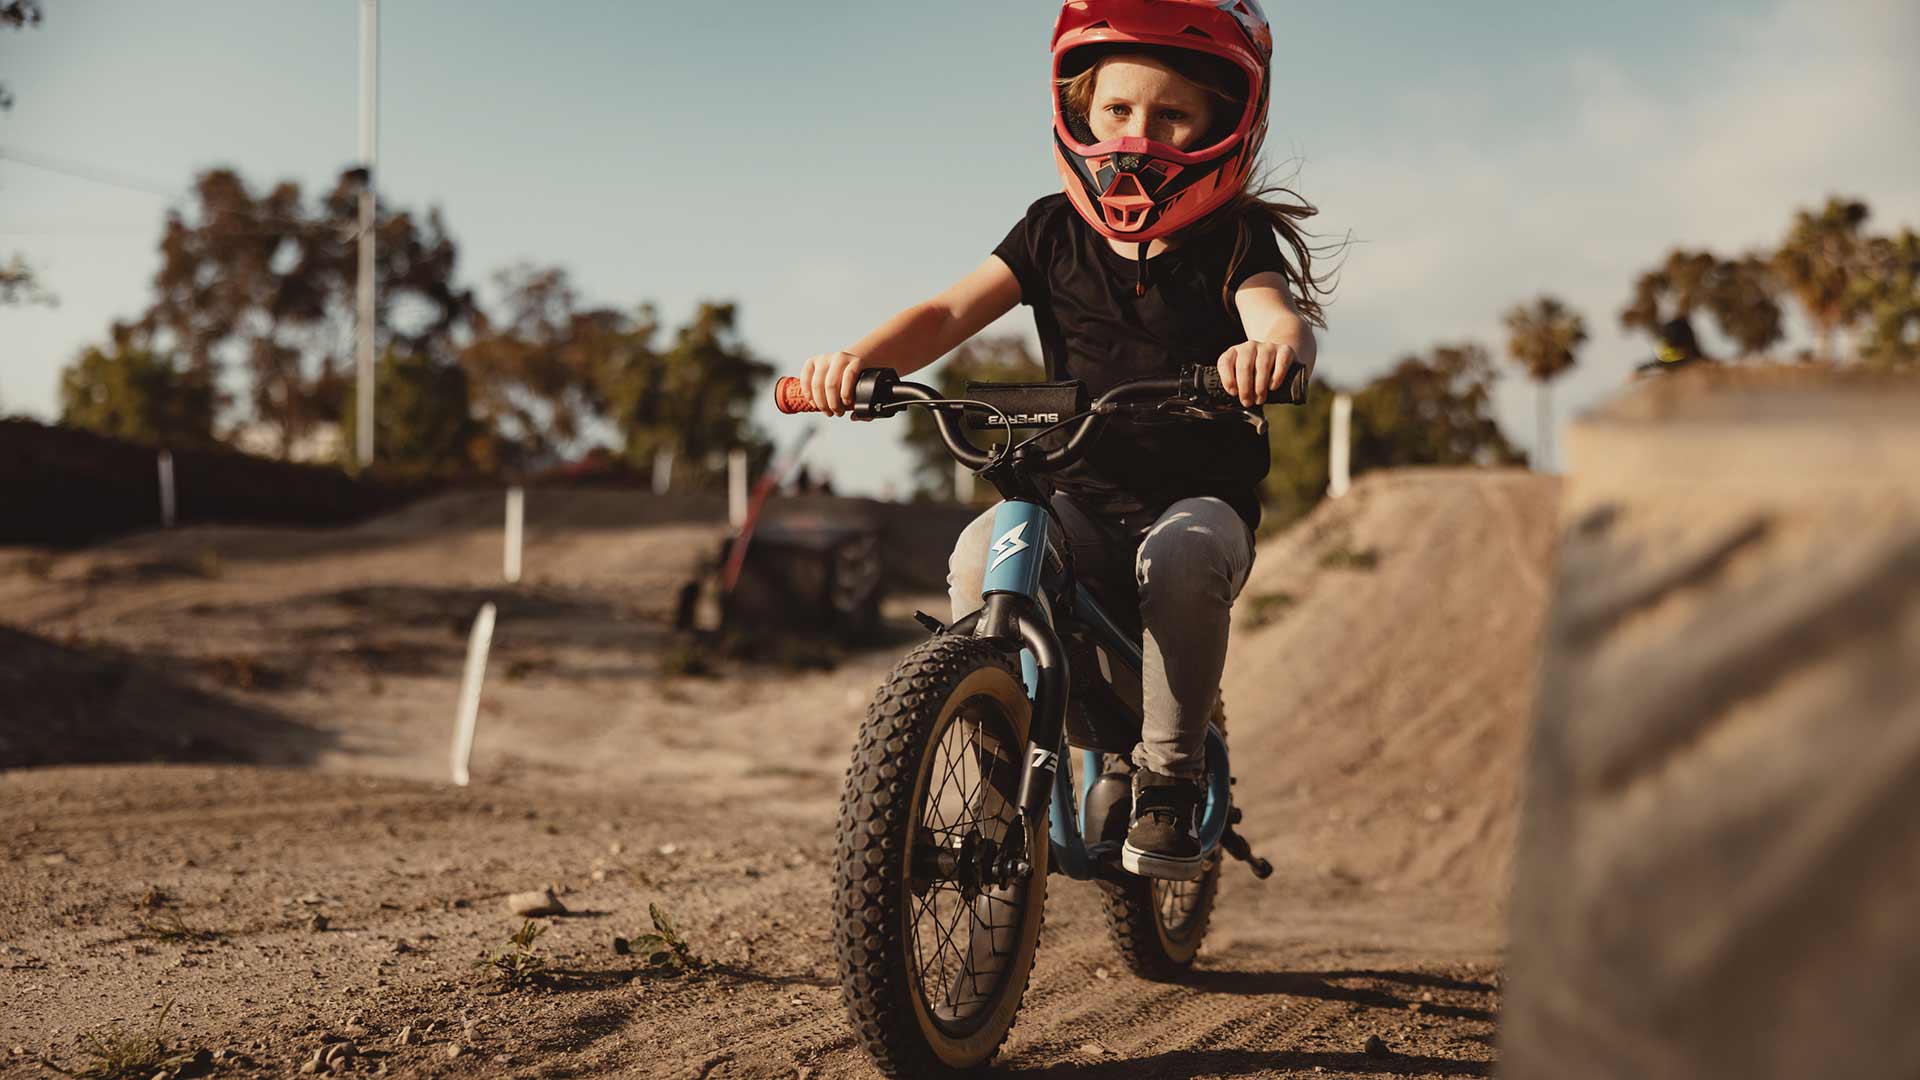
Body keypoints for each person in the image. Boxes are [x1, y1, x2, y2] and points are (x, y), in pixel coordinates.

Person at [794, 0, 1334, 880]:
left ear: (1223, 124)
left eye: (1172, 116)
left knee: (1188, 557)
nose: (1139, 137)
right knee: (979, 559)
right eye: (1119, 111)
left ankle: (1168, 770)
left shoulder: (1234, 237)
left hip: (1196, 498)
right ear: (1081, 109)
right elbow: (946, 312)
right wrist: (851, 363)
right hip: (1071, 495)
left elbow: (1275, 312)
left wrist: (1270, 352)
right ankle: (1001, 748)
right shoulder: (1051, 228)